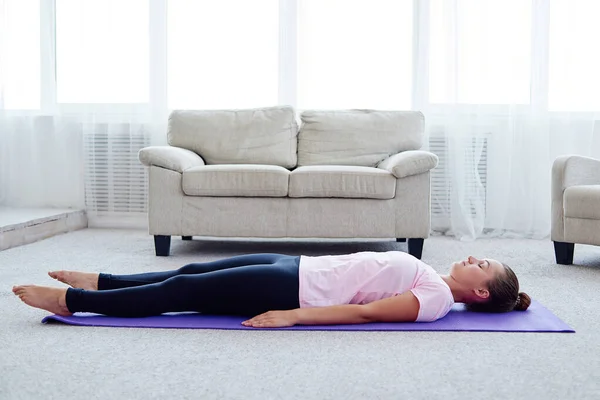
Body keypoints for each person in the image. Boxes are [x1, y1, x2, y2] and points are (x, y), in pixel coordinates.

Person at [12, 251, 531, 328]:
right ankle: (104, 282)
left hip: (294, 288)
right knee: (192, 268)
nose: (470, 258)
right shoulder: (437, 276)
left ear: (480, 292)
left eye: (481, 265)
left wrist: (291, 317)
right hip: (298, 265)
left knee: (185, 290)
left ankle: (73, 303)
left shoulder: (437, 299)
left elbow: (365, 314)